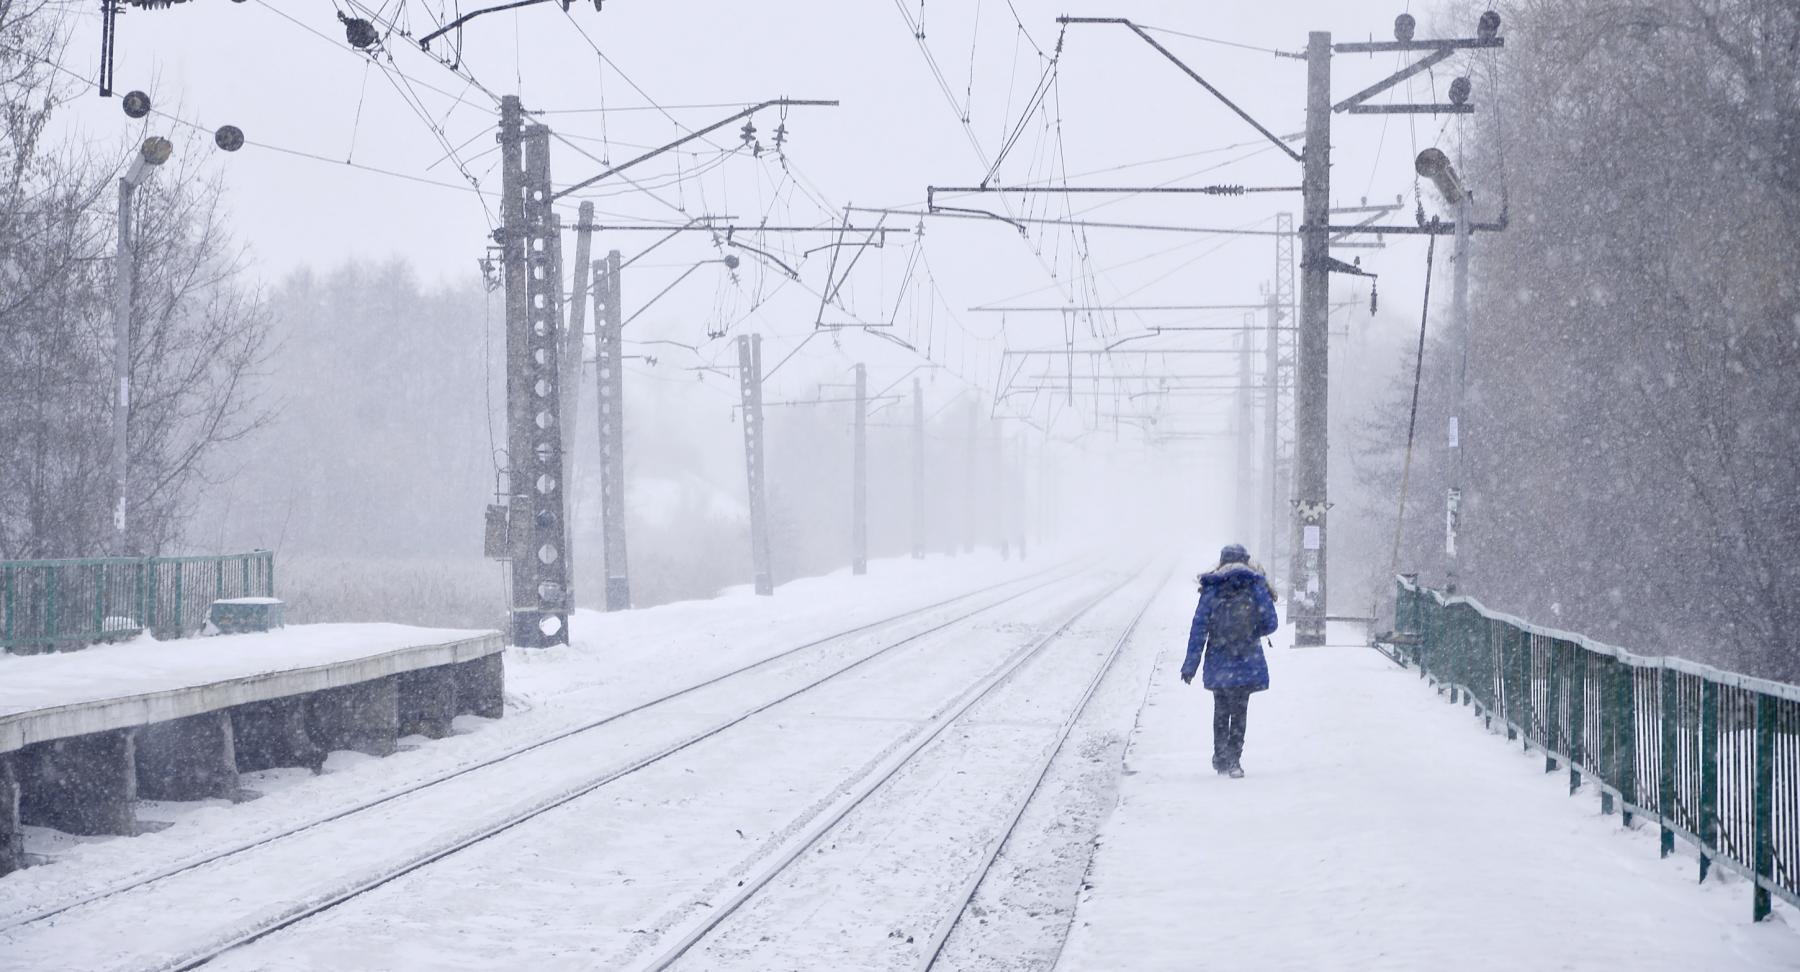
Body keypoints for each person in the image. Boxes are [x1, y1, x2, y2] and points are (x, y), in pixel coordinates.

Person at [1180, 543, 1280, 778]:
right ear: (1246, 560)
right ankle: (1235, 759)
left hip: (1218, 658)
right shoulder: (1255, 584)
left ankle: (1221, 757)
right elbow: (1271, 622)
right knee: (1240, 710)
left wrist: (1190, 666)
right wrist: (1252, 631)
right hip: (1247, 657)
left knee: (1221, 709)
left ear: (1222, 561)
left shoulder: (1212, 587)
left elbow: (1198, 629)